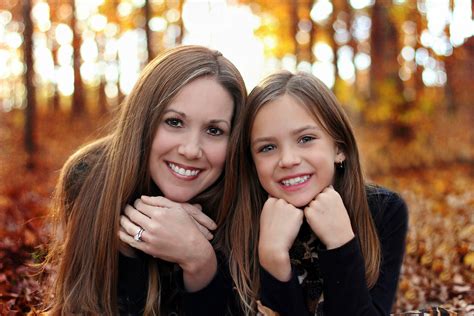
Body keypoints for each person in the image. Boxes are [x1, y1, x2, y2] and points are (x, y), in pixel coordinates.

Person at [43, 45, 246, 315]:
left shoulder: (244, 198)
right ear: (143, 120)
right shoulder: (89, 175)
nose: (190, 149)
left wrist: (200, 262)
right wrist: (130, 248)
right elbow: (81, 306)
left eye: (214, 130)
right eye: (174, 122)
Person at [217, 71, 408, 315]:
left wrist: (341, 245)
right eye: (267, 147)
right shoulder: (235, 228)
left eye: (306, 139)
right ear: (251, 162)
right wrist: (273, 258)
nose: (288, 160)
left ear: (339, 147)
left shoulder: (384, 211)